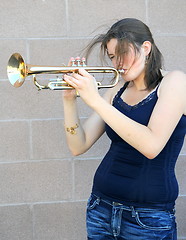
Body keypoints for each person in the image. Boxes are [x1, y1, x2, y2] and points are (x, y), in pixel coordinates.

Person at [62, 18, 186, 240]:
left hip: (148, 218)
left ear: (145, 48)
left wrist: (94, 100)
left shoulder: (175, 82)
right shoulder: (116, 90)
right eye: (112, 56)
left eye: (122, 53)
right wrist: (69, 100)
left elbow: (151, 145)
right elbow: (78, 146)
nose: (117, 62)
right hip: (100, 209)